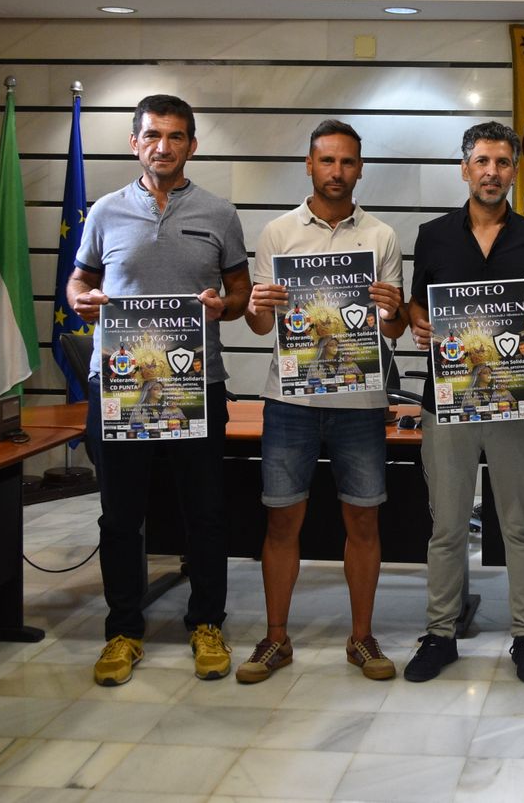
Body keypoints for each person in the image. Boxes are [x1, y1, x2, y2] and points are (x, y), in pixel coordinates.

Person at [67, 94, 250, 686]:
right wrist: (81, 300)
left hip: (196, 385)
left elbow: (241, 293)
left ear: (192, 145)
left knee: (207, 513)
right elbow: (80, 279)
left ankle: (207, 623)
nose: (163, 147)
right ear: (134, 142)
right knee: (120, 514)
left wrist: (224, 306)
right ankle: (123, 629)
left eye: (175, 137)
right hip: (119, 385)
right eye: (152, 135)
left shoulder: (220, 214)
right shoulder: (104, 212)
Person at [234, 120, 408, 684]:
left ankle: (362, 639)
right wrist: (258, 304)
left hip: (360, 400)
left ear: (361, 168)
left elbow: (394, 330)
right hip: (290, 401)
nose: (338, 172)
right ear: (308, 165)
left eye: (348, 162)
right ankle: (276, 638)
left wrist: (392, 310)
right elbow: (261, 326)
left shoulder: (381, 236)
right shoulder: (277, 233)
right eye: (327, 161)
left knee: (363, 518)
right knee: (282, 520)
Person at [404, 122, 524, 684]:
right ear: (464, 169)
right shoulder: (433, 235)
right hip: (445, 401)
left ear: (514, 170)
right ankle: (441, 633)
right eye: (482, 161)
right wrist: (420, 329)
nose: (492, 171)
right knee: (446, 526)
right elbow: (418, 308)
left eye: (502, 162)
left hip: (517, 401)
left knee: (519, 524)